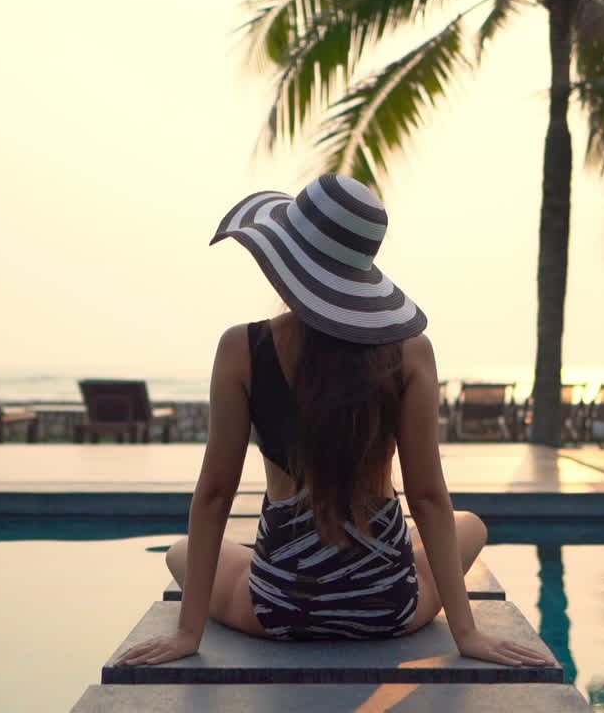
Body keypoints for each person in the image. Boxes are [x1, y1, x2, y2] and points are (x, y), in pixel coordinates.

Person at [120, 174, 551, 668]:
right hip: (389, 607)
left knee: (181, 551)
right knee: (468, 525)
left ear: (288, 259)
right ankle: (369, 553)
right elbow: (429, 497)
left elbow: (215, 494)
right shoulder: (409, 352)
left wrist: (187, 635)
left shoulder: (242, 348)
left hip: (280, 610)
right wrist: (467, 633)